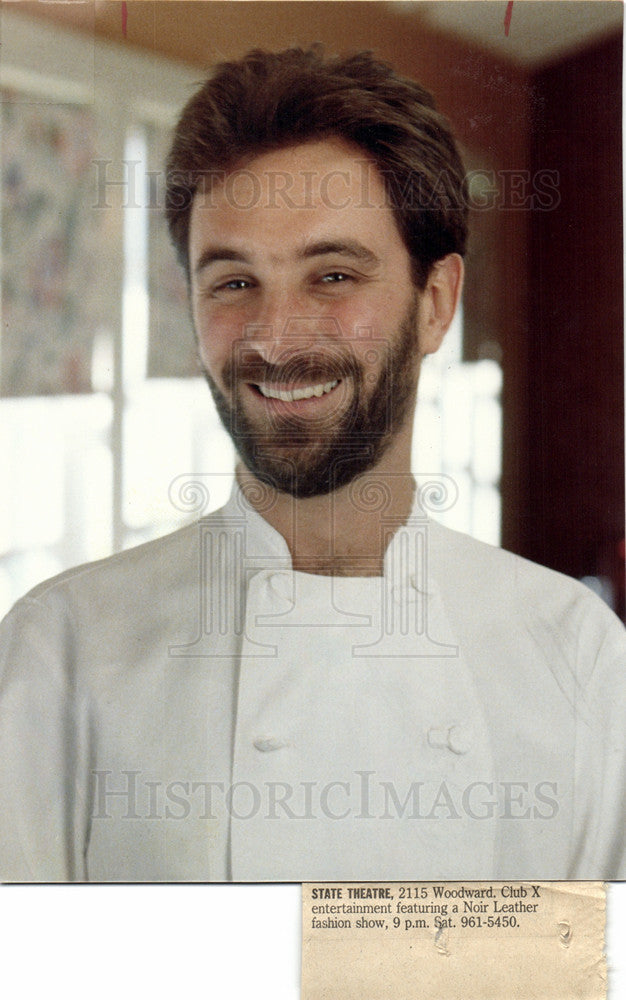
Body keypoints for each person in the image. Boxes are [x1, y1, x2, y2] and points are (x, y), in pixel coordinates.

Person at [1, 46, 625, 883]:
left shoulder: (575, 654)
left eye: (332, 275)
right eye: (232, 283)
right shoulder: (62, 647)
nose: (276, 338)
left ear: (435, 303)